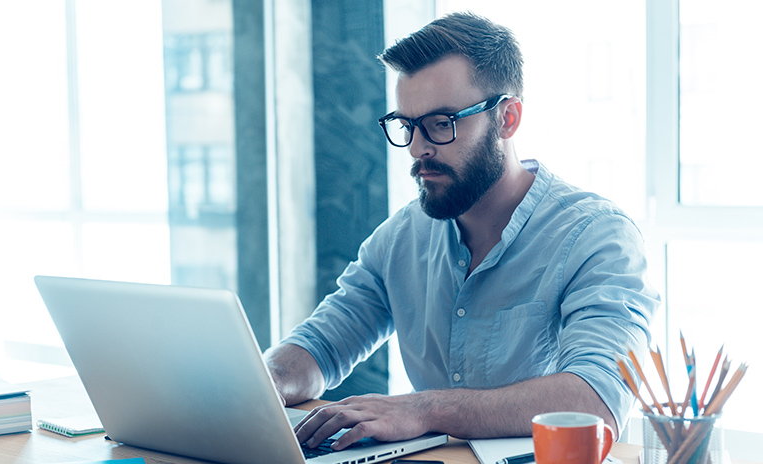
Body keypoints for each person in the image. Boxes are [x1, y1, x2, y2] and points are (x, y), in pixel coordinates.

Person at [264, 11, 660, 451]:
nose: (417, 148)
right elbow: (321, 345)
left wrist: (422, 409)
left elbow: (595, 401)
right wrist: (265, 383)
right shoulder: (401, 238)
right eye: (407, 125)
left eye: (440, 124)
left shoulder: (598, 237)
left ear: (507, 119)